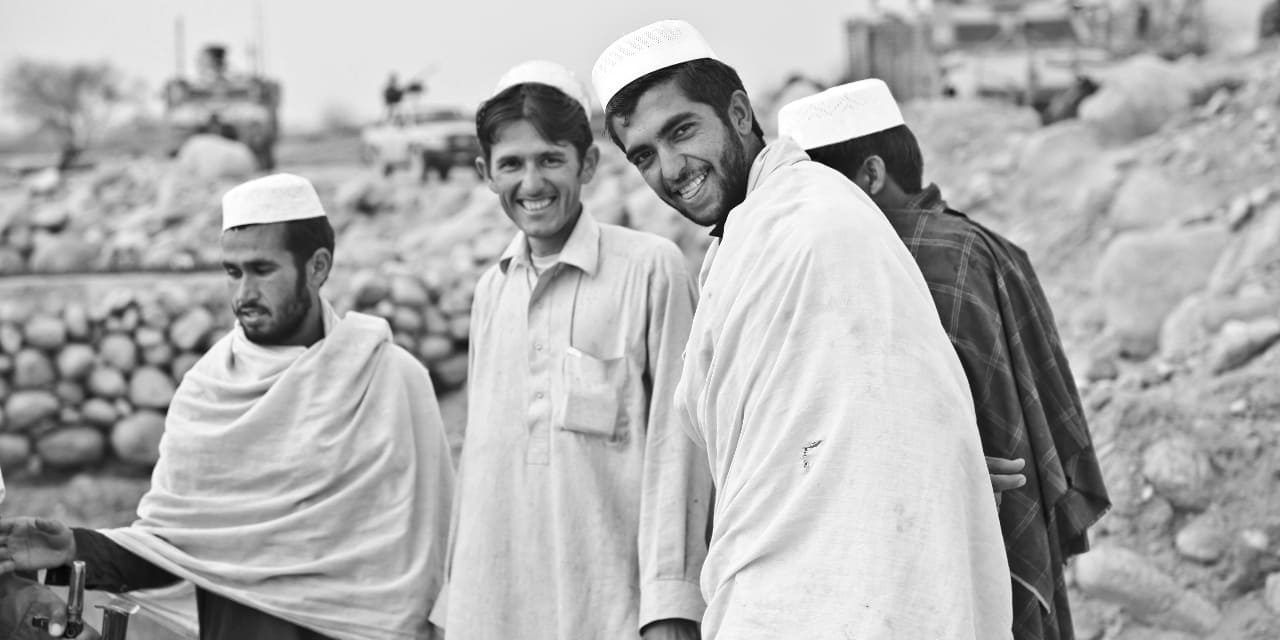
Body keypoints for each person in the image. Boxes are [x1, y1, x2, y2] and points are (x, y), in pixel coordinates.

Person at [592, 20, 1012, 639]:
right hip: (786, 583)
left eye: (682, 131)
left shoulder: (816, 222)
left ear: (738, 114)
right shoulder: (748, 239)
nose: (672, 169)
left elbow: (881, 423)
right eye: (645, 156)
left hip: (855, 588)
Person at [0, 173, 455, 640]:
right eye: (233, 272)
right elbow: (177, 550)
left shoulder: (393, 380)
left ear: (317, 267)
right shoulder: (206, 392)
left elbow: (440, 549)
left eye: (262, 270)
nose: (243, 295)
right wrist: (76, 547)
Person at [777, 79, 1111, 640]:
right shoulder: (979, 243)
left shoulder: (933, 256)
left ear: (872, 176)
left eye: (816, 186)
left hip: (945, 523)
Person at [428, 60, 711, 640]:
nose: (531, 184)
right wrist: (455, 607)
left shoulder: (649, 270)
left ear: (586, 164)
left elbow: (676, 450)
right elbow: (482, 464)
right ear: (485, 173)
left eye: (550, 159)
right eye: (511, 164)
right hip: (499, 605)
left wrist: (671, 603)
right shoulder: (492, 291)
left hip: (611, 606)